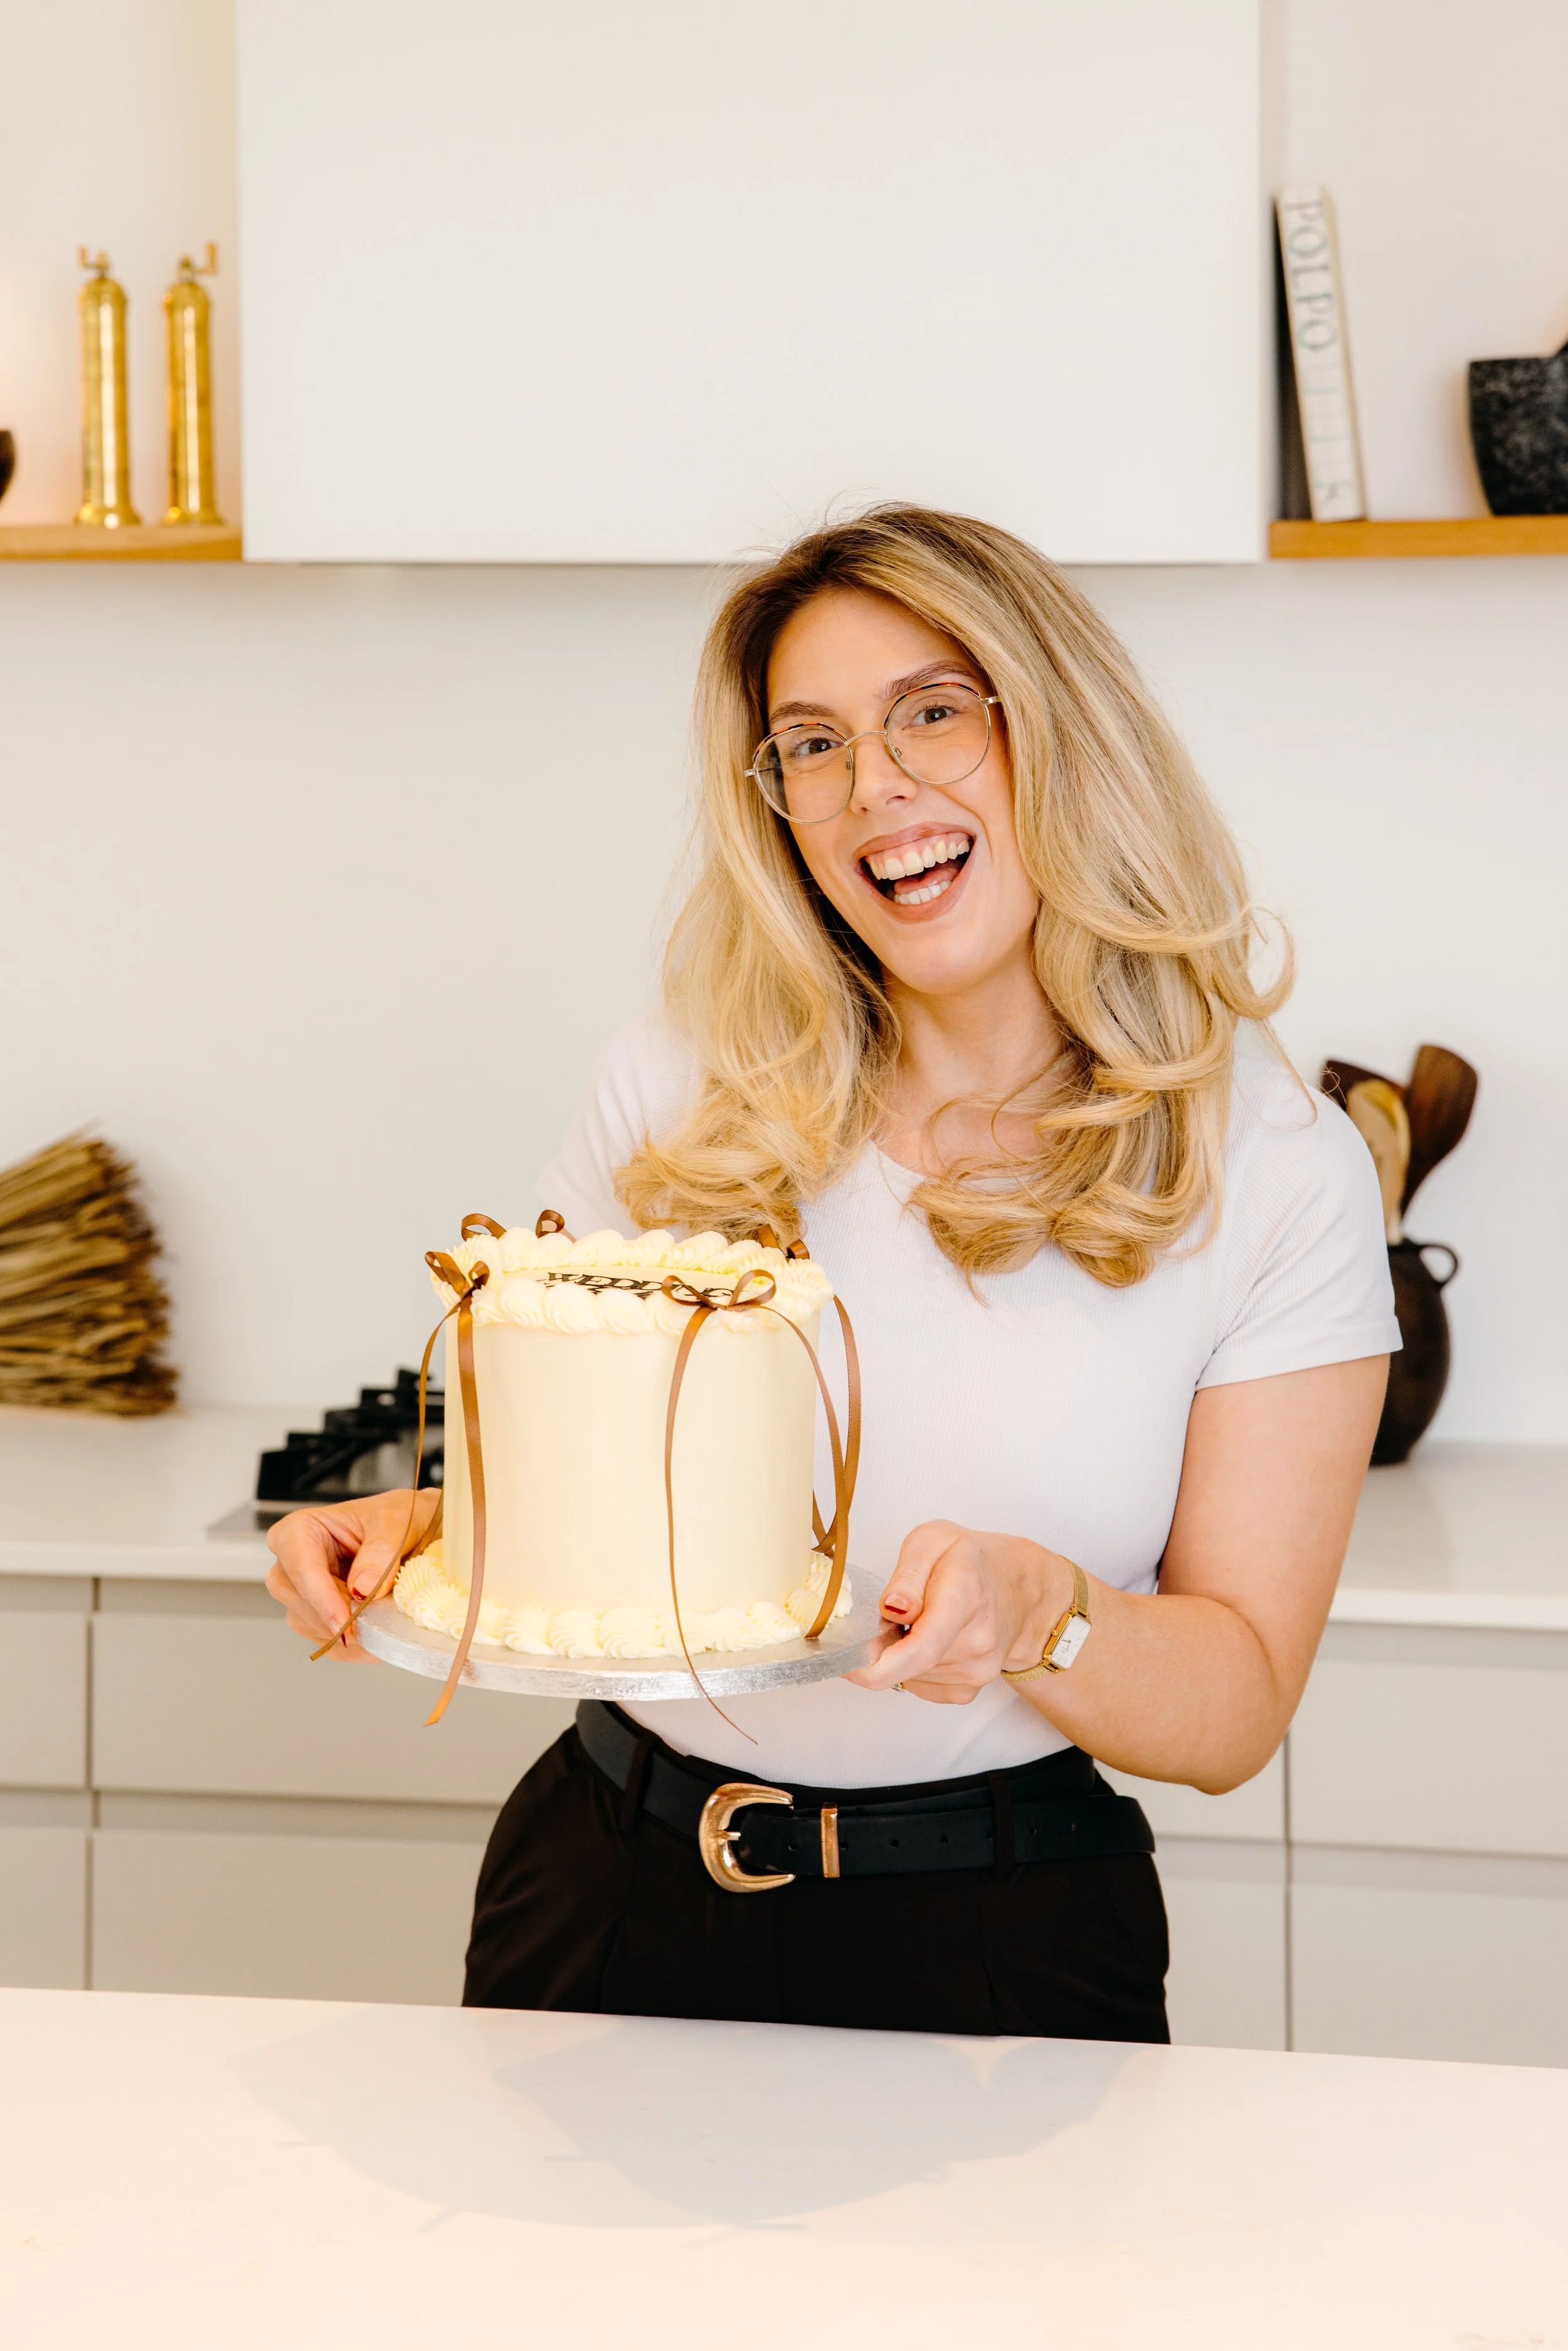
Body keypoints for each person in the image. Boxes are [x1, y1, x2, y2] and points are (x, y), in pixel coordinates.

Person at [267, 506, 1396, 2042]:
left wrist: (1037, 1609)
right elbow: (588, 1509)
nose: (876, 788)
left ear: (1056, 727)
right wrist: (423, 1534)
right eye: (809, 744)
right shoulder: (674, 1090)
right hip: (600, 1884)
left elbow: (1235, 1706)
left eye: (931, 710)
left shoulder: (1272, 1166)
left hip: (1000, 1931)